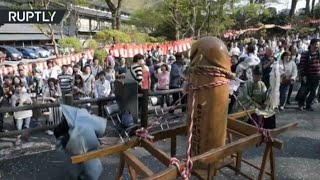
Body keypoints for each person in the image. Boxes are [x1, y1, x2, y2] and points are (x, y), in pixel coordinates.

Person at [297, 38, 320, 111]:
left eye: (318, 45)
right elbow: (301, 65)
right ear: (311, 45)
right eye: (316, 44)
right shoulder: (305, 54)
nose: (317, 46)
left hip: (317, 77)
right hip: (307, 77)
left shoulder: (319, 54)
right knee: (304, 91)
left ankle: (308, 105)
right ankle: (301, 104)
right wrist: (303, 75)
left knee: (313, 92)